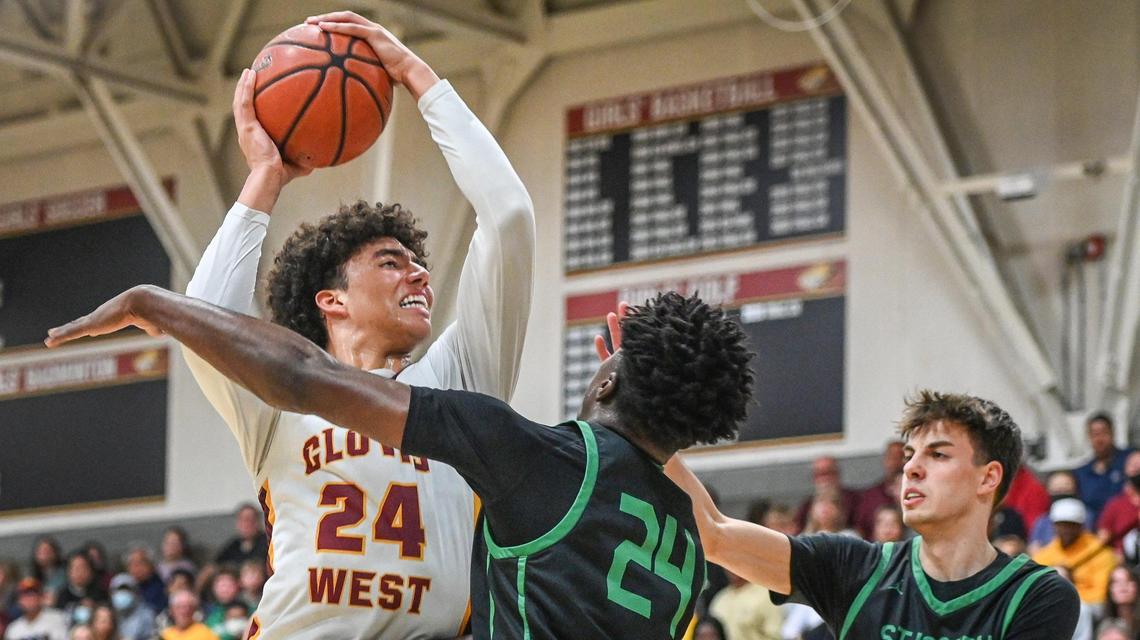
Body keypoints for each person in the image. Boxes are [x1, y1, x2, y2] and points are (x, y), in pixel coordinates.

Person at [46, 290, 753, 639]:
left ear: (607, 378)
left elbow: (302, 377)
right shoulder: (690, 547)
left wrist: (157, 305)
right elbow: (660, 465)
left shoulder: (537, 458)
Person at [179, 9, 534, 639]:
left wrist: (418, 77)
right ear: (332, 300)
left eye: (420, 266)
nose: (420, 276)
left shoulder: (459, 378)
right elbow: (204, 322)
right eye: (392, 263)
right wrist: (265, 178)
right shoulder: (281, 396)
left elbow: (507, 217)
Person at [664, 390, 1080, 639]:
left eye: (938, 455)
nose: (912, 468)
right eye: (910, 454)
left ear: (988, 478)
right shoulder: (854, 567)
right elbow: (714, 533)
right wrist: (644, 427)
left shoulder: (1037, 595)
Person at [1032, 498, 1118, 607]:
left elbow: (1100, 595)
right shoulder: (1044, 555)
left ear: (1081, 526)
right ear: (1054, 525)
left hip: (1089, 606)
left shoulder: (1100, 553)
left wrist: (1069, 596)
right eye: (1062, 524)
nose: (1066, 529)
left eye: (1072, 524)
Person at [1076, 412, 1134, 523]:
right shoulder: (1082, 473)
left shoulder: (1130, 460)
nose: (1099, 439)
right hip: (1094, 527)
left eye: (1103, 433)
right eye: (1094, 434)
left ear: (1112, 433)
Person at [707, 570, 782, 640]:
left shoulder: (765, 595)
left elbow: (774, 636)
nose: (732, 569)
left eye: (737, 563)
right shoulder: (720, 599)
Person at [851, 441, 904, 538]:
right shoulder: (871, 496)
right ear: (885, 460)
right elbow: (860, 529)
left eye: (901, 457)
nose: (896, 462)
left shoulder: (918, 492)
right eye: (892, 457)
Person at [794, 457, 858, 533]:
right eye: (820, 474)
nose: (825, 478)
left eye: (829, 473)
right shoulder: (806, 506)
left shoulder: (855, 500)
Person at [1099, 451, 1140, 552]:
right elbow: (1103, 538)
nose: (1138, 469)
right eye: (1134, 466)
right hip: (1122, 557)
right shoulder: (1115, 504)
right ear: (1125, 470)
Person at [4, 578, 68, 640]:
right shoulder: (13, 629)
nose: (28, 599)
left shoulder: (57, 618)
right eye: (24, 595)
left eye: (32, 594)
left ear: (41, 597)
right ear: (19, 601)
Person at [108, 573, 157, 640]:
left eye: (126, 590)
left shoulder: (147, 615)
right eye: (119, 590)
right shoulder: (110, 615)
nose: (122, 593)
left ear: (135, 592)